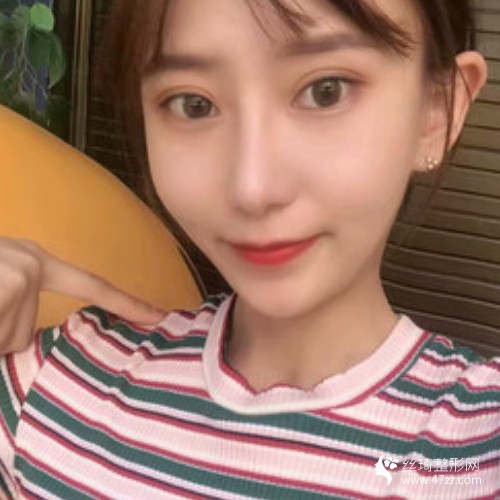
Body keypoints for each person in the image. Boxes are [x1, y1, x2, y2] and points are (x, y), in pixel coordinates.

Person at [0, 0, 498, 498]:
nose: (252, 189)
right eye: (193, 104)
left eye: (326, 91)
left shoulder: (474, 449)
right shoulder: (55, 383)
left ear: (437, 110)